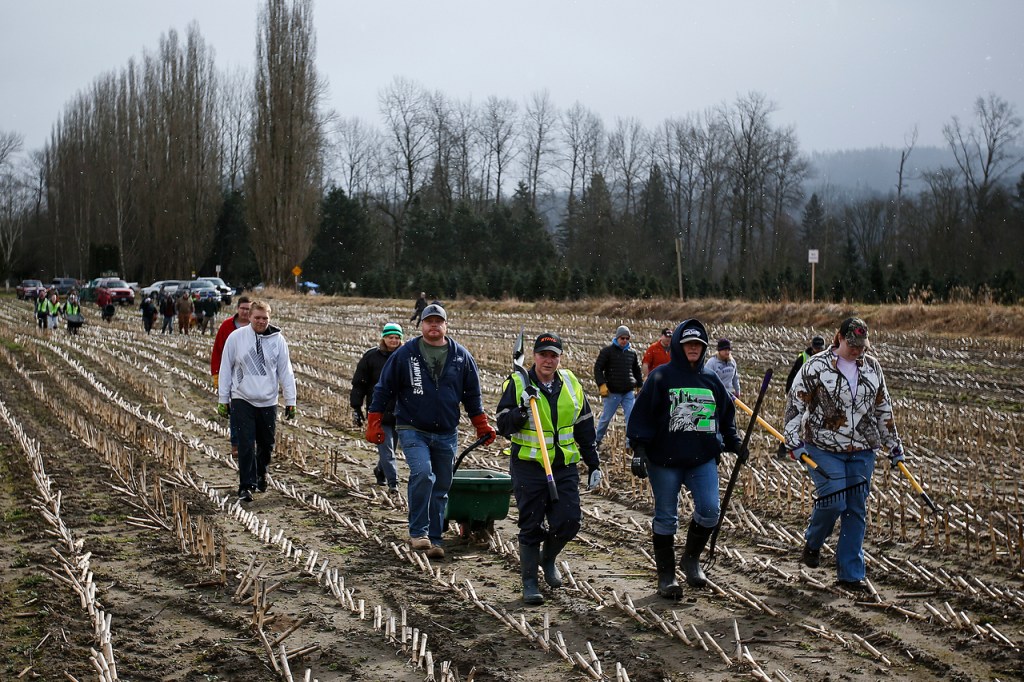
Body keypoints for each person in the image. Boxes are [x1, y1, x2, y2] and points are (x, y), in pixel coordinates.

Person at [366, 303, 496, 561]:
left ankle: (435, 538)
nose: (434, 325)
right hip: (412, 427)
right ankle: (418, 532)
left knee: (442, 486)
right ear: (422, 325)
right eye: (429, 321)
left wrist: (481, 423)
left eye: (439, 321)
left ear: (446, 325)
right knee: (423, 474)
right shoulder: (406, 354)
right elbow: (384, 388)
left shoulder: (461, 356)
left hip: (447, 431)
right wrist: (374, 420)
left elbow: (472, 394)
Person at [782, 317, 904, 592]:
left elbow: (883, 408)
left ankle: (850, 575)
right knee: (833, 499)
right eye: (852, 345)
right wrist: (793, 441)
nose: (857, 350)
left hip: (862, 449)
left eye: (861, 346)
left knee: (855, 509)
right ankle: (813, 543)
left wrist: (893, 445)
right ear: (838, 337)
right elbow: (794, 403)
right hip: (823, 448)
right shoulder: (815, 366)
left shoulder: (873, 368)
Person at [626, 319, 745, 599]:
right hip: (663, 461)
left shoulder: (711, 379)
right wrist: (639, 452)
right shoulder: (660, 377)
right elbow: (640, 418)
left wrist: (735, 442)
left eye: (698, 345)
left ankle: (691, 559)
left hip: (701, 458)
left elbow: (726, 416)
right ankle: (666, 577)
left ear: (704, 349)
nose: (693, 348)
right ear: (680, 346)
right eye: (688, 344)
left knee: (710, 510)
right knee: (667, 518)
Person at [496, 332, 601, 605]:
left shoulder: (570, 383)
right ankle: (530, 583)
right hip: (529, 466)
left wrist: (593, 463)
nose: (548, 360)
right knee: (531, 524)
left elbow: (584, 426)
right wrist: (521, 411)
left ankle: (548, 558)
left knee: (569, 520)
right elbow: (502, 424)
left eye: (554, 355)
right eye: (543, 355)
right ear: (534, 356)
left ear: (560, 358)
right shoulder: (518, 383)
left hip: (563, 465)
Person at [217, 300, 296, 502]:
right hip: (242, 398)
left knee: (267, 444)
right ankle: (246, 485)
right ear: (249, 317)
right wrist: (223, 398)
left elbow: (285, 371)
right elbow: (226, 368)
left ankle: (261, 473)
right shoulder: (236, 338)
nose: (261, 321)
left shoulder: (278, 340)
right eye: (257, 317)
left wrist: (290, 400)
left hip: (268, 400)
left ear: (270, 318)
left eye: (265, 318)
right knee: (245, 444)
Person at [350, 322, 404, 491]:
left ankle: (380, 471)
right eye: (390, 337)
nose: (393, 340)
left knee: (391, 448)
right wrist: (356, 408)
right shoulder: (371, 357)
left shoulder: (406, 357)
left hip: (401, 410)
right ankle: (393, 482)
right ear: (384, 338)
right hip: (378, 410)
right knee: (386, 448)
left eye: (397, 338)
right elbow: (359, 384)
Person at [211, 296, 252, 459]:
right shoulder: (227, 326)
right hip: (232, 375)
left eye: (248, 309)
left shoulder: (256, 326)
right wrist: (216, 373)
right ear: (237, 308)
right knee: (235, 412)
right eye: (243, 308)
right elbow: (217, 350)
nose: (245, 311)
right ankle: (236, 444)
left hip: (252, 377)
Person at [593, 325, 643, 449]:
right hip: (612, 392)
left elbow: (636, 370)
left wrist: (639, 385)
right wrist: (601, 384)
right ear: (617, 338)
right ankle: (596, 440)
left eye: (627, 338)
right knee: (605, 419)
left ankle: (629, 444)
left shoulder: (632, 353)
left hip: (628, 392)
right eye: (622, 338)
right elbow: (598, 369)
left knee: (631, 418)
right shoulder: (607, 352)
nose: (624, 341)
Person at [778, 335, 826, 458]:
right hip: (802, 396)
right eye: (816, 348)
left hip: (817, 398)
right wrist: (789, 392)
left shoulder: (826, 360)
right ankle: (784, 448)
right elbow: (792, 376)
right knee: (796, 422)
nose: (818, 351)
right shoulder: (803, 358)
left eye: (820, 348)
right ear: (812, 347)